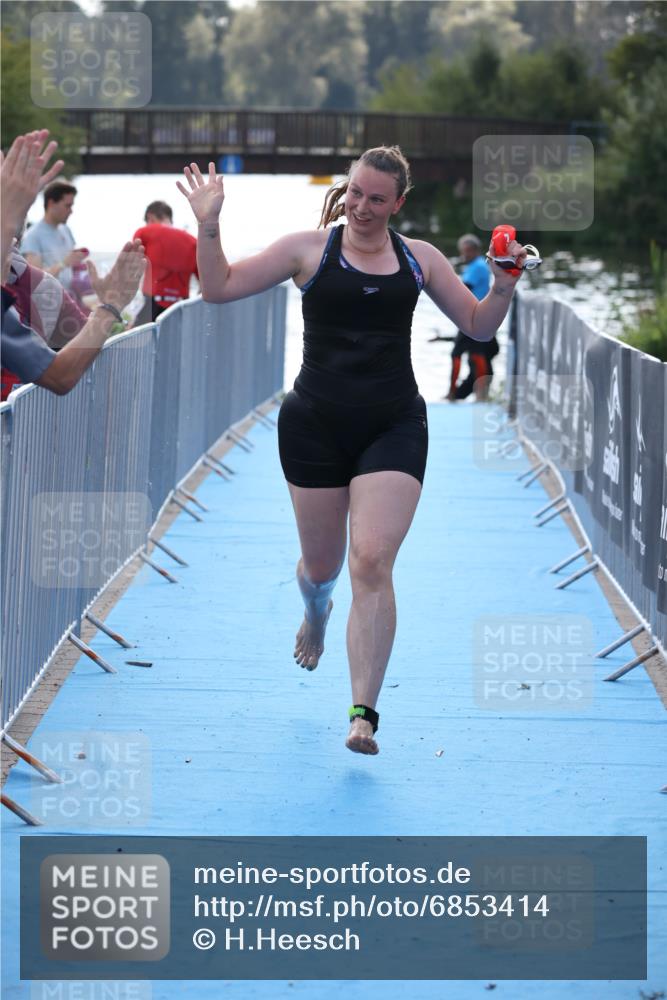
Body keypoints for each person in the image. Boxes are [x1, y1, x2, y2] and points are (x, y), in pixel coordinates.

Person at [177, 146, 528, 755]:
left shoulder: (420, 260)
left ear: (398, 204)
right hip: (314, 424)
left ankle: (363, 713)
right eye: (356, 193)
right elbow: (217, 287)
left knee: (371, 561)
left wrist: (502, 286)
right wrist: (209, 223)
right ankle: (315, 612)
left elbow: (477, 325)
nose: (362, 207)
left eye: (376, 199)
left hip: (392, 424)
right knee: (323, 568)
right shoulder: (309, 250)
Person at [2, 130, 146, 396]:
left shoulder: (48, 275)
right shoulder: (34, 252)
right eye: (67, 205)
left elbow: (79, 344)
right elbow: (62, 376)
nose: (71, 210)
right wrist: (111, 306)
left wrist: (111, 315)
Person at [446, 233, 498, 402]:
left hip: (474, 316)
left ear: (475, 250)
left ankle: (461, 394)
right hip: (474, 316)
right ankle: (470, 393)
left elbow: (462, 288)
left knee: (465, 354)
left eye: (467, 251)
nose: (464, 255)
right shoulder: (476, 265)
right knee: (473, 354)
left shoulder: (477, 267)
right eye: (463, 251)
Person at [18, 178, 89, 301]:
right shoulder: (33, 236)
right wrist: (64, 263)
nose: (71, 211)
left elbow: (72, 270)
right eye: (67, 205)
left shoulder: (66, 230)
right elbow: (35, 281)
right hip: (46, 305)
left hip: (68, 301)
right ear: (51, 203)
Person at [132, 200, 198, 324]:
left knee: (137, 341)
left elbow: (132, 266)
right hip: (180, 309)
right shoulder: (194, 242)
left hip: (151, 306)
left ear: (150, 217)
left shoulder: (144, 232)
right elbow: (205, 284)